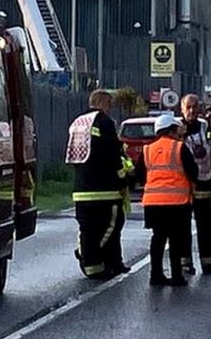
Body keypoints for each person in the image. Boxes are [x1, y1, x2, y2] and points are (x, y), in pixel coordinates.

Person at [66, 89, 130, 279]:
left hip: (81, 188)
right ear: (102, 102)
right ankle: (91, 256)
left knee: (87, 228)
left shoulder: (78, 122)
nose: (110, 108)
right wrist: (122, 178)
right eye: (109, 104)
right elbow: (112, 153)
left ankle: (105, 264)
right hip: (105, 189)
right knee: (113, 225)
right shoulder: (104, 122)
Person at [141, 114, 197, 286]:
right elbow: (193, 171)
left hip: (152, 202)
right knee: (175, 239)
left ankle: (155, 275)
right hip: (176, 202)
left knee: (158, 238)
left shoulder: (147, 149)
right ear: (171, 130)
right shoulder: (179, 148)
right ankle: (177, 276)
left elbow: (139, 174)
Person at [178, 94, 211, 276]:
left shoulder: (206, 127)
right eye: (188, 107)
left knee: (206, 226)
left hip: (205, 183)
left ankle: (209, 263)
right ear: (181, 109)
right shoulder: (176, 129)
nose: (191, 111)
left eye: (195, 107)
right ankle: (185, 263)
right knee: (182, 227)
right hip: (184, 185)